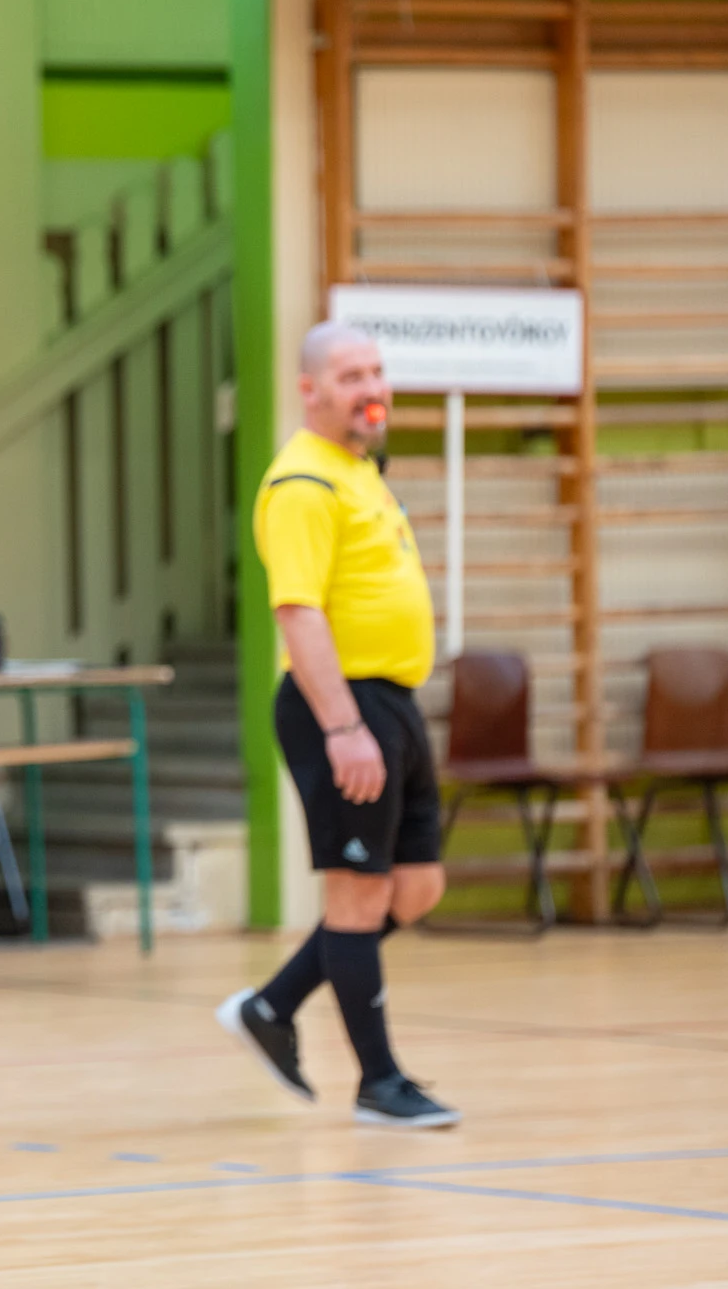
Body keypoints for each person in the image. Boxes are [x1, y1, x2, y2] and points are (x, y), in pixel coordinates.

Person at [216, 322, 459, 1128]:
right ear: (310, 389)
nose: (371, 387)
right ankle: (379, 1084)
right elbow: (298, 611)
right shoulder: (302, 483)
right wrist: (345, 727)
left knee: (415, 886)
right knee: (357, 896)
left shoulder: (359, 471)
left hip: (392, 701)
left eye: (377, 371)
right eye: (351, 375)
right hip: (344, 706)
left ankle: (272, 1006)